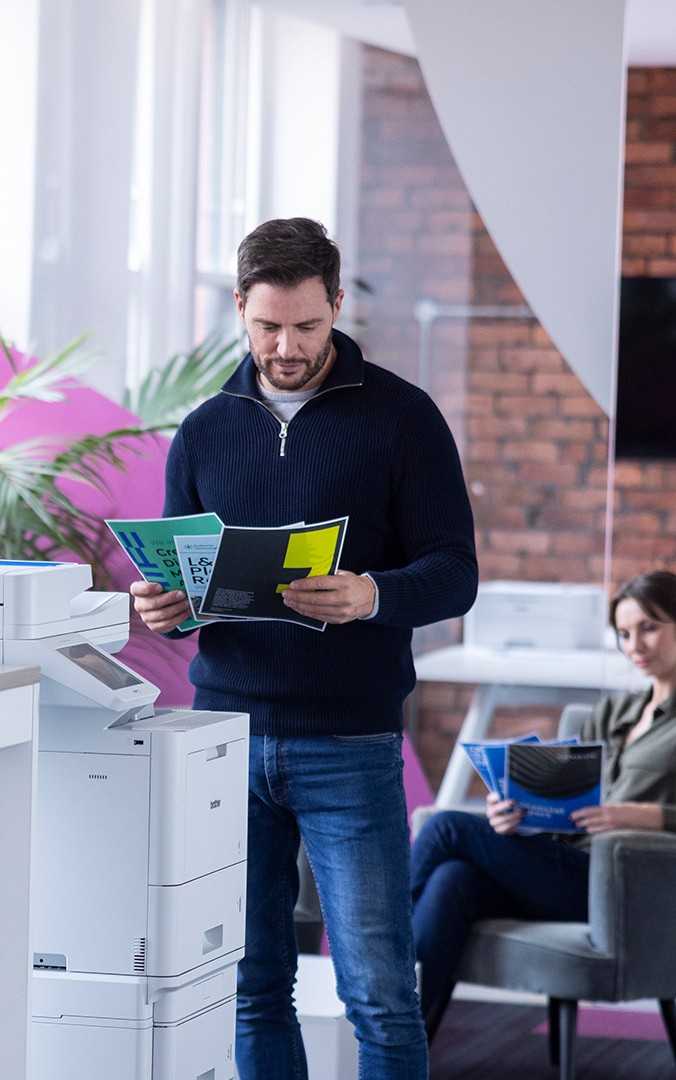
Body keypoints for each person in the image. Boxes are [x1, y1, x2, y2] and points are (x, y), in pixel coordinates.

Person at [131, 217, 478, 1080]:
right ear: (240, 309)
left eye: (308, 326)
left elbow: (456, 574)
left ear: (336, 303)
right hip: (223, 738)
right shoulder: (206, 428)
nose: (286, 347)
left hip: (349, 746)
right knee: (250, 985)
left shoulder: (403, 417)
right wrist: (163, 606)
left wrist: (373, 593)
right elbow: (183, 592)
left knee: (380, 995)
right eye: (266, 327)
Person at [411, 569, 676, 1038]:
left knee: (446, 829)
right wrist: (518, 817)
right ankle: (399, 1040)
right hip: (569, 869)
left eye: (649, 628)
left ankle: (373, 950)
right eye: (623, 633)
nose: (635, 644)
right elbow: (569, 811)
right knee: (455, 879)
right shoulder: (615, 712)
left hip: (625, 887)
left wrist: (640, 816)